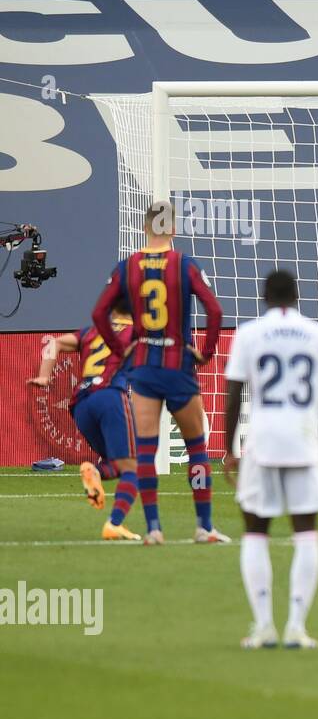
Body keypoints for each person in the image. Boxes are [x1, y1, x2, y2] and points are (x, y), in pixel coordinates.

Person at [91, 200, 230, 545]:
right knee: (197, 448)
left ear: (145, 227)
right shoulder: (184, 264)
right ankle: (204, 526)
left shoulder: (128, 266)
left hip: (144, 368)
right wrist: (206, 352)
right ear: (173, 229)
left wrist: (120, 346)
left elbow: (98, 312)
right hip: (179, 366)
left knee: (147, 451)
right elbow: (214, 309)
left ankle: (153, 528)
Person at [222, 270, 318, 650]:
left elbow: (234, 394)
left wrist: (229, 448)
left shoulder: (248, 333)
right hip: (305, 441)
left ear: (264, 297)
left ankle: (262, 627)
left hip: (263, 440)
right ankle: (296, 627)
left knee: (256, 528)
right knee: (306, 528)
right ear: (297, 295)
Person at [27, 298, 142, 540]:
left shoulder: (92, 331)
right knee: (133, 466)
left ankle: (95, 472)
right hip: (110, 397)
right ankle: (115, 523)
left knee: (116, 464)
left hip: (81, 405)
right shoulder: (138, 331)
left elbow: (54, 343)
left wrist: (44, 376)